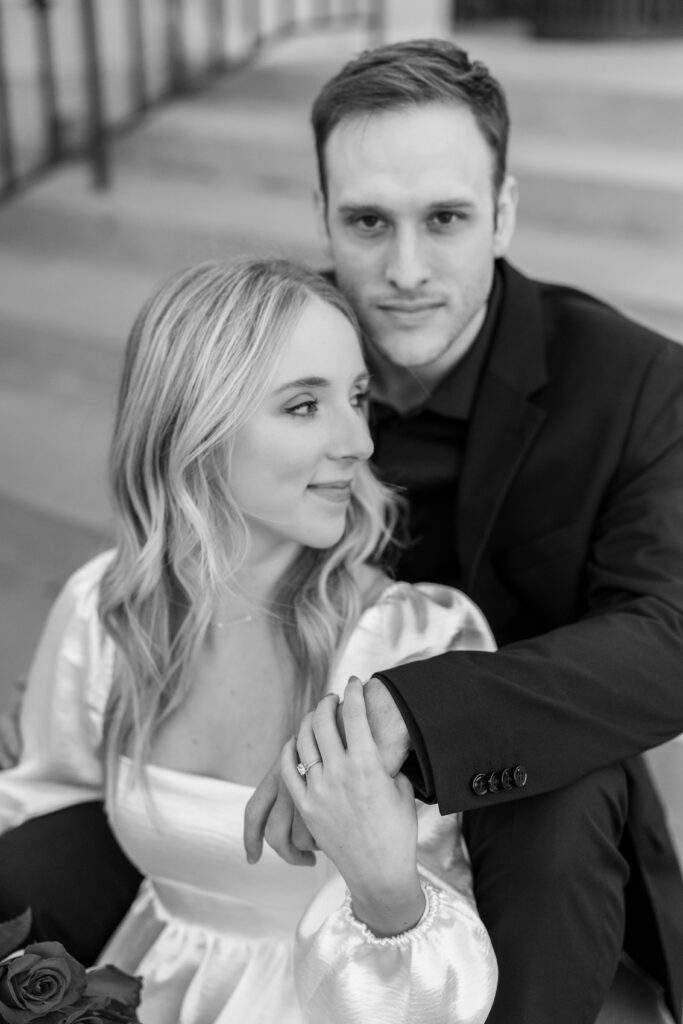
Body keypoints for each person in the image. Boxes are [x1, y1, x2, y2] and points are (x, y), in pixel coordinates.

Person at [242, 38, 683, 1024]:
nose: (405, 271)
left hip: (522, 789)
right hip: (283, 774)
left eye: (444, 218)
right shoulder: (265, 354)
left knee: (563, 802)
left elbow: (670, 637)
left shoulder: (635, 383)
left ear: (503, 212)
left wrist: (410, 710)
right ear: (321, 214)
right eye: (367, 222)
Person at [0, 257, 498, 1024]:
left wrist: (385, 887)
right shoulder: (110, 611)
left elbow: (446, 996)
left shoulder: (414, 642)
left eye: (356, 397)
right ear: (193, 425)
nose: (360, 442)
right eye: (303, 406)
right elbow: (46, 818)